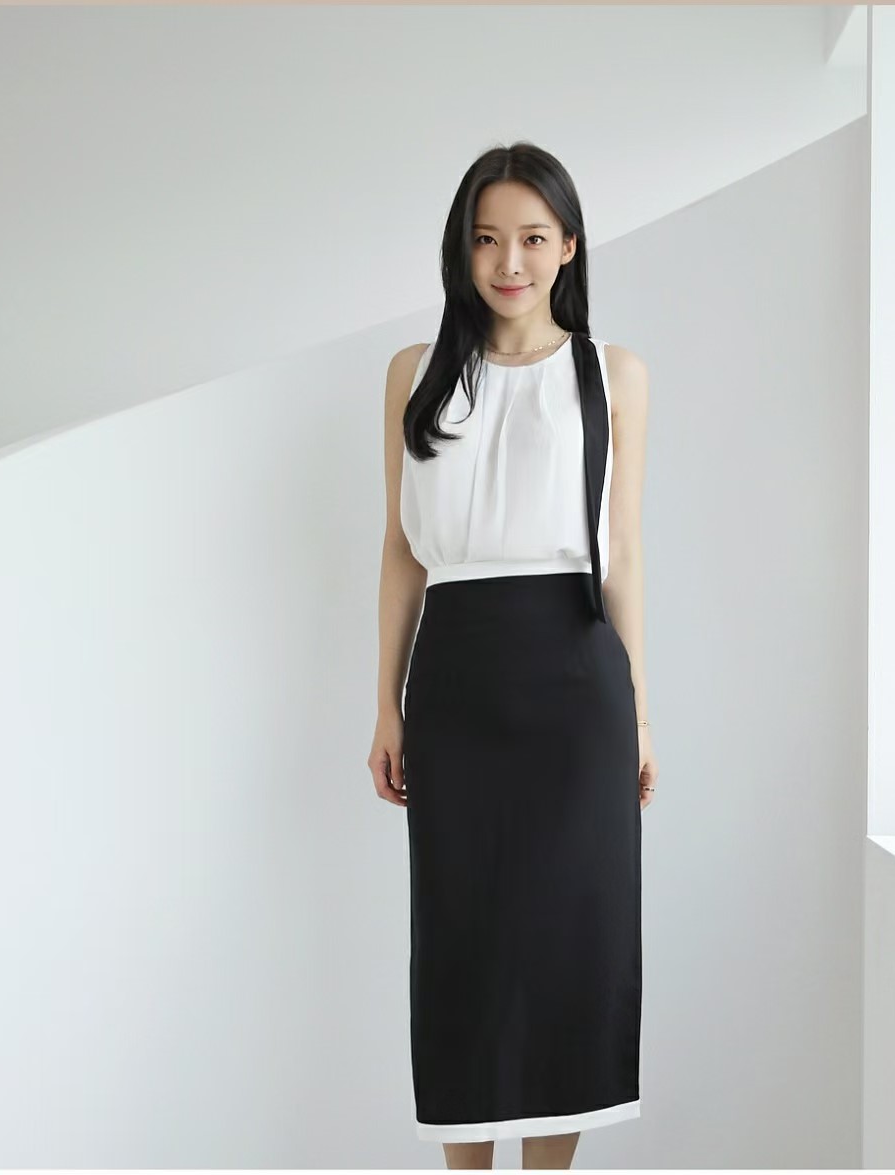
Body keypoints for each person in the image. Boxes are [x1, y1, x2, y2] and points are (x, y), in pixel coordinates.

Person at [368, 140, 657, 1171]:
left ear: (568, 245)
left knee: (571, 944)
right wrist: (387, 704)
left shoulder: (612, 375)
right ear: (463, 248)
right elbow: (402, 549)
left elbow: (623, 554)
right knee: (461, 944)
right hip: (455, 678)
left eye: (533, 237)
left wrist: (641, 714)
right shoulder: (415, 374)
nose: (509, 261)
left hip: (577, 681)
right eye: (487, 239)